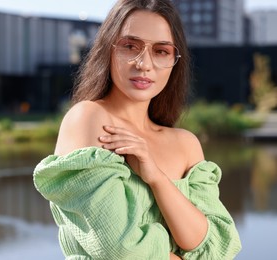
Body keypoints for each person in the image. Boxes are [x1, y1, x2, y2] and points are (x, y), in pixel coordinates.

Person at [33, 0, 242, 259]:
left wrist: (156, 178)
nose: (144, 64)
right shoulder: (89, 118)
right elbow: (119, 249)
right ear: (107, 50)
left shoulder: (186, 143)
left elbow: (218, 246)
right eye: (130, 46)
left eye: (161, 51)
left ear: (175, 62)